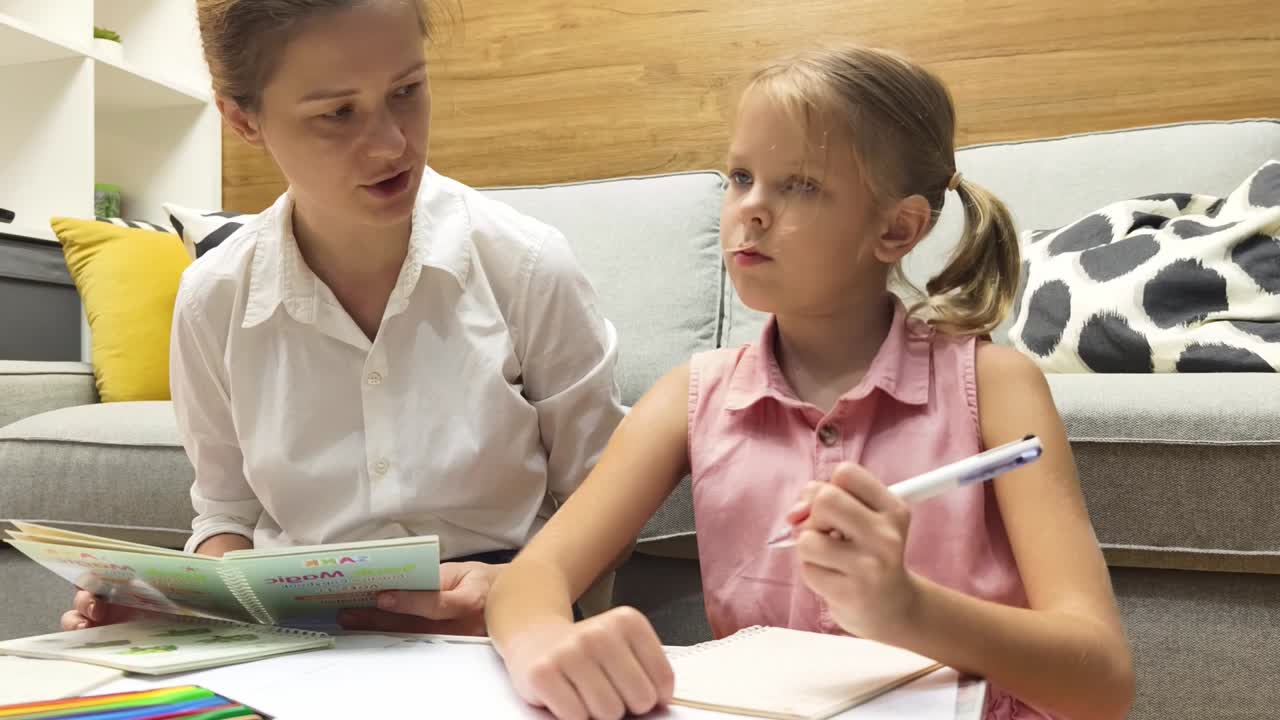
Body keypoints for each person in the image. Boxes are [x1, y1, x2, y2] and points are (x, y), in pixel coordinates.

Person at [486, 44, 1135, 720]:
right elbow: (532, 576)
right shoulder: (691, 396)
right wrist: (543, 641)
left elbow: (1104, 683)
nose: (751, 210)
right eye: (740, 177)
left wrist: (908, 608)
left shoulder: (995, 386)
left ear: (897, 227)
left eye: (798, 185)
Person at [61, 0, 623, 636]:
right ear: (242, 118)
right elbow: (225, 517)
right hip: (300, 633)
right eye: (337, 113)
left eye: (407, 90)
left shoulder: (525, 266)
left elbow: (606, 498)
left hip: (496, 622)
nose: (392, 143)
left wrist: (523, 586)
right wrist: (180, 605)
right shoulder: (212, 298)